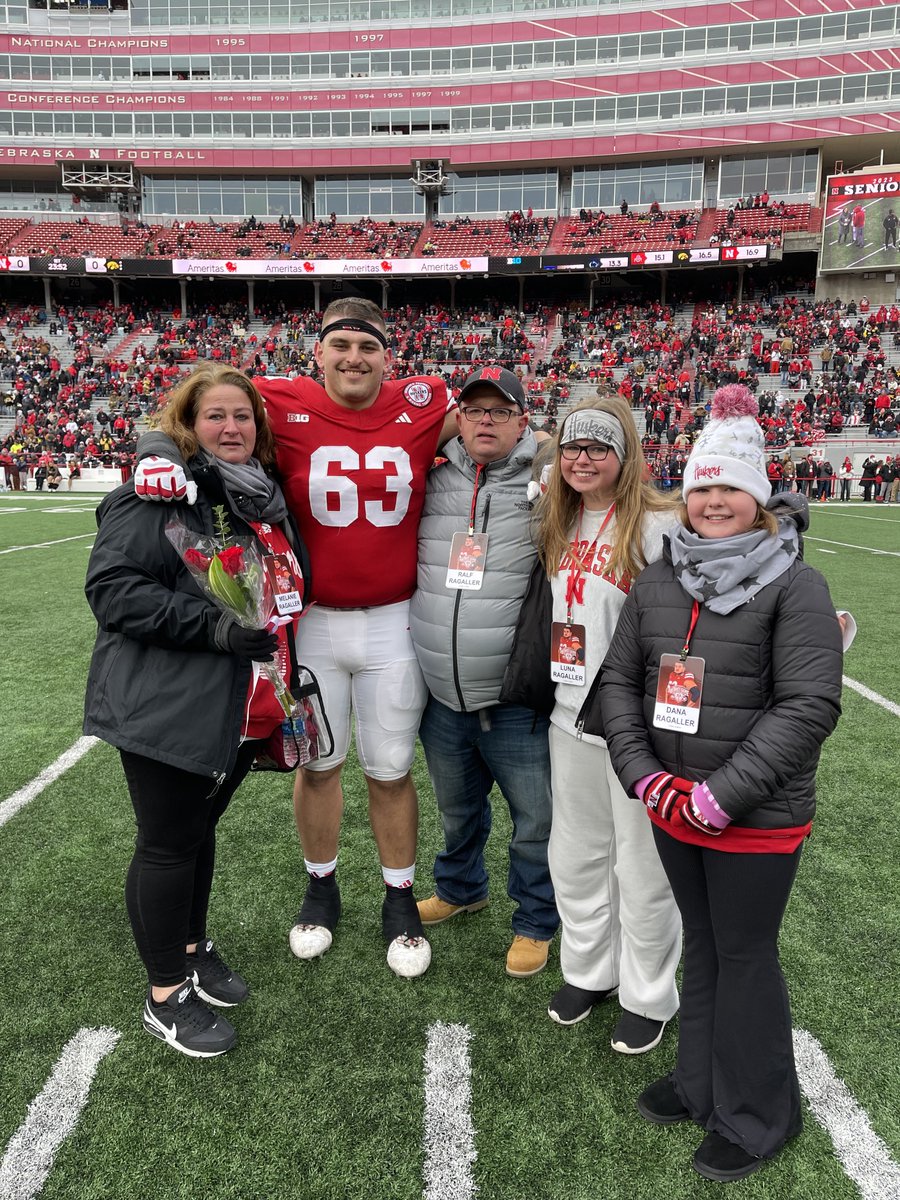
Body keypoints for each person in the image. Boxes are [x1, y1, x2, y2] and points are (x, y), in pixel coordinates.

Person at [134, 297, 458, 978]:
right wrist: (155, 449)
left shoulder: (425, 401)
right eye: (340, 344)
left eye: (367, 347)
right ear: (318, 352)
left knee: (392, 769)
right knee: (317, 764)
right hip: (308, 623)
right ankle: (322, 885)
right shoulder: (277, 400)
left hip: (395, 623)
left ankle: (399, 896)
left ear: (388, 356)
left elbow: (495, 427)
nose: (353, 358)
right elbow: (199, 412)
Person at [598, 384, 842, 1182]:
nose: (712, 501)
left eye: (729, 486)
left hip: (753, 817)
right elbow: (618, 688)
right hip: (675, 809)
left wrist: (717, 796)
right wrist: (647, 782)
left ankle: (761, 1113)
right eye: (701, 486)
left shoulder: (795, 585)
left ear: (759, 496)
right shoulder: (661, 578)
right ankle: (703, 1082)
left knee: (745, 954)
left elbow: (809, 706)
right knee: (702, 944)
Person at [84, 364, 311, 1058]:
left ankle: (189, 945)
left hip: (242, 706)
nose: (232, 428)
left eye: (243, 416)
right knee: (166, 842)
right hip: (169, 701)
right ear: (187, 424)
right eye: (215, 416)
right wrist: (212, 627)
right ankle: (164, 994)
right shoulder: (157, 495)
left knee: (197, 831)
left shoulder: (258, 499)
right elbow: (112, 590)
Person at [502, 394, 681, 1052]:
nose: (582, 458)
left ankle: (648, 993)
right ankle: (590, 970)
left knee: (642, 866)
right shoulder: (557, 518)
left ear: (624, 455)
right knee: (576, 857)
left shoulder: (662, 524)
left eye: (598, 447)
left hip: (642, 729)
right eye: (573, 447)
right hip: (568, 717)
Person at [410, 366, 559, 978]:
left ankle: (535, 920)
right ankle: (461, 887)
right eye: (475, 411)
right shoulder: (433, 472)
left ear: (524, 420)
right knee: (457, 810)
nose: (487, 421)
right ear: (458, 418)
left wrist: (552, 449)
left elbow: (617, 480)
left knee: (536, 822)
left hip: (515, 696)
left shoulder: (550, 479)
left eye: (501, 411)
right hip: (443, 694)